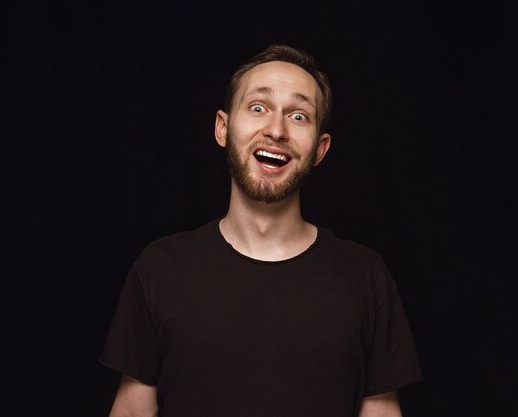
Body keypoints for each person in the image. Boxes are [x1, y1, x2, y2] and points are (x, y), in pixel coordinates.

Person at [100, 44, 422, 417]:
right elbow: (133, 412)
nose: (276, 130)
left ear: (320, 149)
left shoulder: (364, 275)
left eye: (299, 116)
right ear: (223, 128)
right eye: (258, 108)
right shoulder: (159, 268)